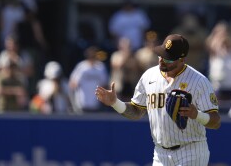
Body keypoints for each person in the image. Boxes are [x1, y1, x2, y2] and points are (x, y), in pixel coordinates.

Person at [95, 34, 221, 166]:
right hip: (160, 153)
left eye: (168, 59)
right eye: (161, 55)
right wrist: (115, 103)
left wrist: (197, 115)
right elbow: (137, 111)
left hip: (191, 149)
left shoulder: (199, 81)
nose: (162, 60)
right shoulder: (149, 76)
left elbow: (216, 121)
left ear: (182, 59)